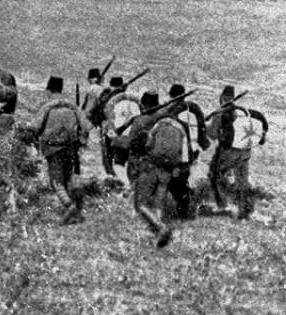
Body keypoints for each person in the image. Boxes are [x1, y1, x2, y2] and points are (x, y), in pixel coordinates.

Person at [26, 77, 92, 226]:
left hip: (53, 149)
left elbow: (34, 128)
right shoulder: (72, 106)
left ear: (48, 90)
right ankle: (74, 213)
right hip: (70, 148)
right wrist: (81, 141)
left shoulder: (47, 107)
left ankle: (71, 208)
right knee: (67, 178)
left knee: (56, 183)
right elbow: (87, 126)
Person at [115, 91, 175, 248]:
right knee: (157, 199)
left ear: (144, 104)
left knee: (139, 202)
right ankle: (156, 228)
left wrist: (115, 140)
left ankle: (159, 227)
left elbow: (131, 142)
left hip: (141, 163)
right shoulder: (164, 118)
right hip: (163, 164)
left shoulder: (140, 120)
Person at [207, 86, 268, 219]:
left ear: (222, 98)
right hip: (245, 152)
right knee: (242, 180)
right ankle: (246, 209)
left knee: (216, 175)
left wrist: (204, 127)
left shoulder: (220, 113)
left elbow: (212, 135)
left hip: (229, 153)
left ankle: (223, 206)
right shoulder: (243, 112)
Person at [163, 84, 210, 219]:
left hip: (182, 150)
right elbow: (202, 129)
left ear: (172, 96)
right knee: (184, 176)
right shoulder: (195, 107)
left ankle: (184, 208)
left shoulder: (172, 109)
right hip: (195, 149)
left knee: (175, 181)